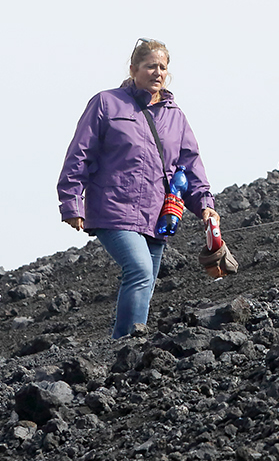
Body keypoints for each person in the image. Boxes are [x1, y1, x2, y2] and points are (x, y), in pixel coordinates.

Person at [57, 38, 223, 338]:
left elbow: (191, 165)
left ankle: (127, 351)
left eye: (162, 67)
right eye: (150, 66)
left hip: (158, 215)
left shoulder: (176, 116)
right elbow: (80, 153)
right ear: (134, 69)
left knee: (146, 279)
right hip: (113, 208)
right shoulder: (106, 103)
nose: (157, 72)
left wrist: (205, 205)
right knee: (140, 270)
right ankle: (125, 344)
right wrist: (71, 202)